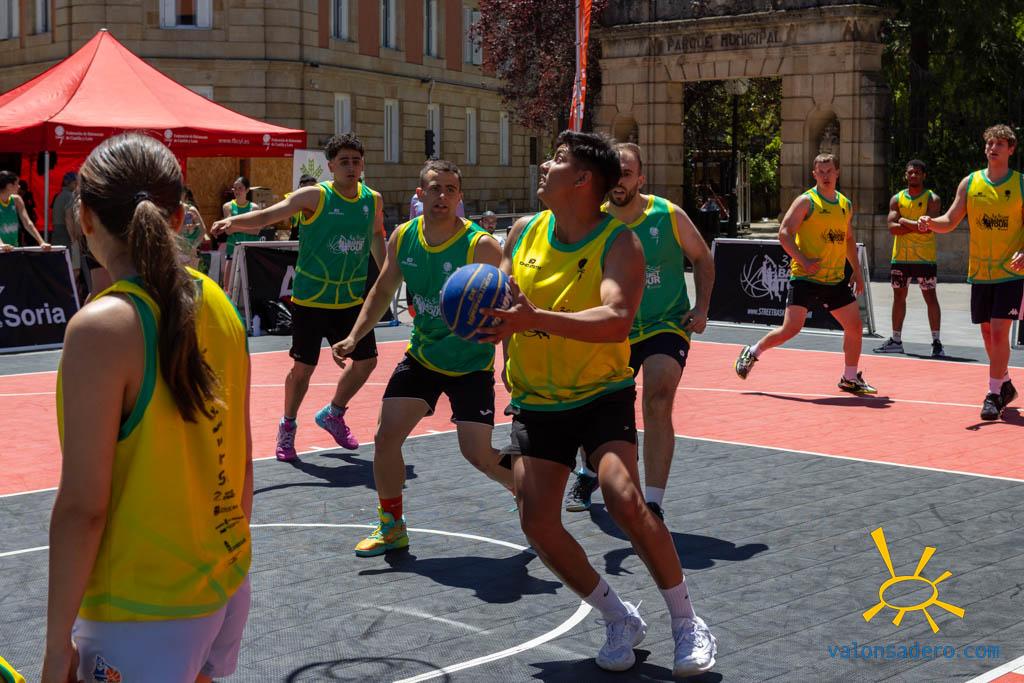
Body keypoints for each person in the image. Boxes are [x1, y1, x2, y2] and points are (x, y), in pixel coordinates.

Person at [480, 131, 717, 676]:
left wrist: (535, 318)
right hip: (537, 399)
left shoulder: (620, 243)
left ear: (584, 180)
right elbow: (507, 305)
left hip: (599, 394)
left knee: (622, 496)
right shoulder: (524, 232)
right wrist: (491, 327)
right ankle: (619, 616)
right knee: (537, 523)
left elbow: (616, 320)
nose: (545, 164)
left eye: (559, 161)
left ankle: (686, 621)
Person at [41, 133, 253, 683]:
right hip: (222, 581)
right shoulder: (217, 301)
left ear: (84, 216)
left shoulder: (101, 328)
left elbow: (83, 509)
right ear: (180, 216)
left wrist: (53, 647)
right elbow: (241, 466)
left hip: (141, 609)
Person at [333, 159, 514, 556]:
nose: (443, 196)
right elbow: (382, 291)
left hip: (470, 363)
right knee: (385, 438)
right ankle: (392, 526)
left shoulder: (480, 245)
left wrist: (509, 366)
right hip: (424, 356)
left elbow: (506, 306)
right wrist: (352, 336)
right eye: (435, 188)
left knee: (478, 453)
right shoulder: (404, 237)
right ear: (420, 194)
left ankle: (524, 486)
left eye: (451, 189)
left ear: (460, 197)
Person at [212, 133, 386, 461]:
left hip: (350, 299)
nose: (351, 167)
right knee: (303, 370)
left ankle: (333, 413)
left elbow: (377, 235)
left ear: (363, 165)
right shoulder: (314, 197)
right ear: (331, 166)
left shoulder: (372, 200)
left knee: (367, 362)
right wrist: (233, 221)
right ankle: (288, 425)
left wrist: (388, 272)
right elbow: (268, 216)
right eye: (344, 161)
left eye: (356, 161)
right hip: (311, 299)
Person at [564, 143, 715, 520]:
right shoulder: (594, 219)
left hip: (666, 322)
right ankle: (587, 472)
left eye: (627, 173)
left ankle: (653, 502)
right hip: (617, 326)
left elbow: (702, 257)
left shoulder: (667, 214)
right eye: (614, 174)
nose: (619, 181)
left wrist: (701, 307)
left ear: (640, 178)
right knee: (594, 404)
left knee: (658, 397)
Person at [734, 153, 876, 395]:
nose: (825, 176)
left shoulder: (845, 204)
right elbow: (784, 233)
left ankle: (849, 378)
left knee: (854, 326)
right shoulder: (806, 202)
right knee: (791, 329)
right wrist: (804, 260)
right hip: (805, 277)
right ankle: (753, 351)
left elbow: (849, 239)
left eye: (829, 171)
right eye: (820, 172)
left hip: (833, 279)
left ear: (838, 172)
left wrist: (856, 272)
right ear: (814, 175)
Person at [919, 124, 1024, 420]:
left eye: (999, 144)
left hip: (1010, 272)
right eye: (990, 144)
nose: (993, 148)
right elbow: (951, 220)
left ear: (1011, 150)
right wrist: (931, 222)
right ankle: (1005, 385)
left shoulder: (1020, 184)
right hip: (980, 271)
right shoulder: (970, 183)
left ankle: (992, 394)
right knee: (988, 332)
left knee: (1000, 329)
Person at [874, 160, 944, 357]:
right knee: (898, 298)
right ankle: (896, 340)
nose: (914, 176)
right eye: (910, 173)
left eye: (917, 173)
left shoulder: (932, 198)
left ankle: (936, 342)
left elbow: (926, 229)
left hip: (925, 258)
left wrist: (903, 221)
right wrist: (913, 225)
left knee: (930, 297)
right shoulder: (897, 199)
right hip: (901, 258)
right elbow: (891, 228)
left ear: (924, 176)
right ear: (906, 175)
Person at [220, 176, 260, 290]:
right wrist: (248, 227)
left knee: (250, 286)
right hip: (232, 249)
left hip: (249, 250)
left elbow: (256, 230)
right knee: (227, 287)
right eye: (235, 188)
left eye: (240, 188)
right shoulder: (227, 206)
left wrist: (236, 227)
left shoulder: (254, 208)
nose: (237, 191)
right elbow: (228, 230)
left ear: (247, 190)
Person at [0, 170, 50, 251]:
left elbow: (27, 222)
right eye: (17, 184)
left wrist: (41, 242)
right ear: (9, 186)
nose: (19, 186)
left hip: (13, 248)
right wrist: (1, 245)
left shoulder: (17, 200)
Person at [179, 186, 208, 266]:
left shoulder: (190, 209)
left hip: (190, 253)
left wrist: (194, 246)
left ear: (184, 195)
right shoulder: (173, 210)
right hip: (178, 251)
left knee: (192, 277)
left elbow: (203, 230)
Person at [288, 174, 319, 240]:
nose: (312, 192)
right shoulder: (292, 201)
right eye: (309, 189)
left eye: (314, 189)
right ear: (301, 186)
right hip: (295, 242)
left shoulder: (320, 202)